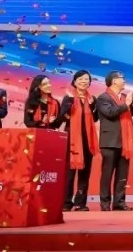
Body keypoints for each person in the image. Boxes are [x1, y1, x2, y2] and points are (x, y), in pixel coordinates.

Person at [96, 70, 133, 211]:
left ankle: (119, 202)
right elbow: (110, 113)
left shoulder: (124, 97)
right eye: (122, 78)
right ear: (114, 81)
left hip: (125, 142)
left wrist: (130, 103)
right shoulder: (103, 98)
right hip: (110, 141)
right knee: (107, 174)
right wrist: (125, 104)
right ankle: (105, 203)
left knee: (122, 174)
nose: (124, 80)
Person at [60, 69, 98, 211]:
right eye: (81, 79)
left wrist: (93, 107)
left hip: (87, 139)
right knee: (69, 173)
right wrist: (69, 104)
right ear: (75, 82)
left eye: (86, 79)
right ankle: (66, 202)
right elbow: (62, 117)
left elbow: (95, 118)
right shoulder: (69, 97)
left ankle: (80, 203)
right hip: (72, 138)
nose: (84, 81)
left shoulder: (92, 99)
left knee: (85, 172)